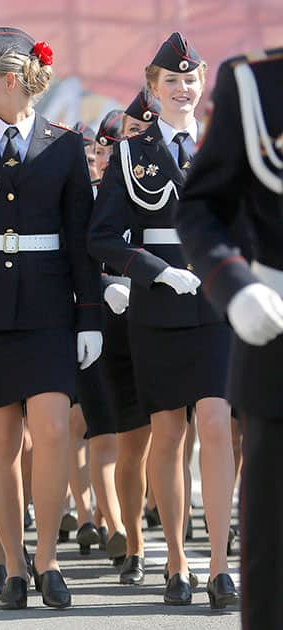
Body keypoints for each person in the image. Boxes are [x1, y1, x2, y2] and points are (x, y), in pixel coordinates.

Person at [0, 27, 102, 609]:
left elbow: (82, 238)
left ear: (11, 80)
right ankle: (10, 562)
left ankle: (49, 559)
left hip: (50, 309)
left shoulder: (64, 145)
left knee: (53, 430)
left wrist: (91, 319)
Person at [88, 33, 238, 608]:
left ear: (202, 87)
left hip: (218, 302)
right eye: (170, 81)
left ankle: (222, 564)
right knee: (168, 435)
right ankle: (176, 559)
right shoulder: (130, 154)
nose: (182, 89)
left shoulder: (228, 148)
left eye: (190, 80)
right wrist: (150, 270)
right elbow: (101, 236)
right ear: (153, 91)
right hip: (159, 305)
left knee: (218, 422)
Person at [175, 44, 282, 626]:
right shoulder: (257, 86)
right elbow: (202, 207)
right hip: (277, 330)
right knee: (273, 554)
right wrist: (232, 284)